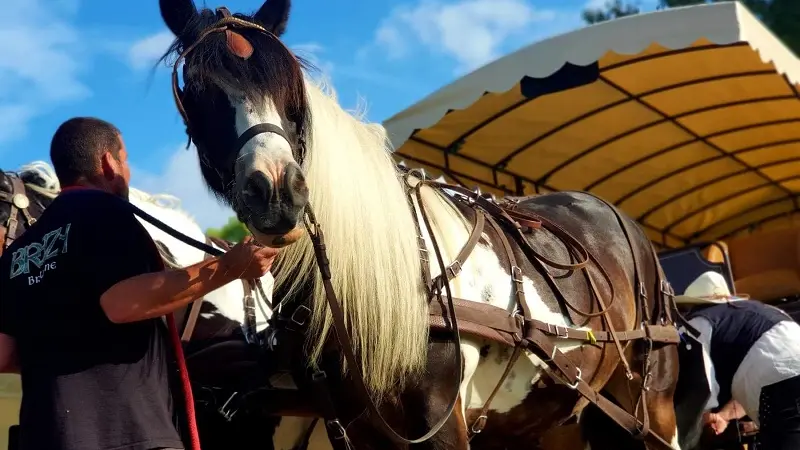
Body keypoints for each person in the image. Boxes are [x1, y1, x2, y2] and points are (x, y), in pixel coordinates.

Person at [0, 117, 278, 450]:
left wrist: (62, 351)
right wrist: (229, 267)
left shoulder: (19, 252)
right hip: (127, 433)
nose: (127, 171)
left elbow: (4, 355)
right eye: (125, 160)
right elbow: (122, 303)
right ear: (108, 163)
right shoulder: (106, 213)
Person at [675, 270, 800, 450]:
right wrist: (724, 416)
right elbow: (760, 372)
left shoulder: (696, 324)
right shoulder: (768, 311)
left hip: (780, 390)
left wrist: (701, 423)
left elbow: (702, 387)